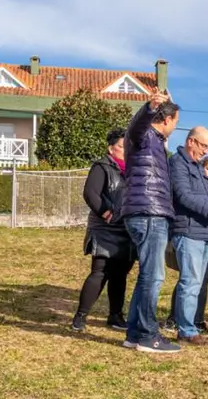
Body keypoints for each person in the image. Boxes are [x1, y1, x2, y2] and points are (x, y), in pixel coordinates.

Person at [121, 88, 182, 354]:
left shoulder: (157, 143)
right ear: (166, 121)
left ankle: (134, 334)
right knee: (153, 276)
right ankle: (148, 336)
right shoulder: (144, 136)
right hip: (148, 213)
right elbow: (135, 128)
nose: (175, 128)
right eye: (176, 122)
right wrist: (150, 106)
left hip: (150, 212)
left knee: (147, 276)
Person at [168, 127, 208, 345]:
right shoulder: (179, 163)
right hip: (189, 231)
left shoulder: (196, 167)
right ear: (191, 141)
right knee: (190, 282)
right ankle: (185, 330)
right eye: (203, 146)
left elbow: (205, 199)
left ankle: (190, 326)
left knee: (196, 283)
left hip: (204, 232)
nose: (206, 151)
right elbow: (184, 197)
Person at [71, 128, 135, 332]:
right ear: (111, 148)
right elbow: (91, 192)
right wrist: (106, 212)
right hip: (104, 228)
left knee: (120, 275)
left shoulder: (132, 171)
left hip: (125, 228)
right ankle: (80, 316)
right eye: (122, 147)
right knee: (99, 273)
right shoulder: (102, 166)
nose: (126, 151)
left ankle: (115, 316)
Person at [163, 156, 208, 333]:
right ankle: (175, 318)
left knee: (202, 281)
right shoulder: (196, 189)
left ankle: (197, 319)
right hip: (193, 234)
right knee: (188, 278)